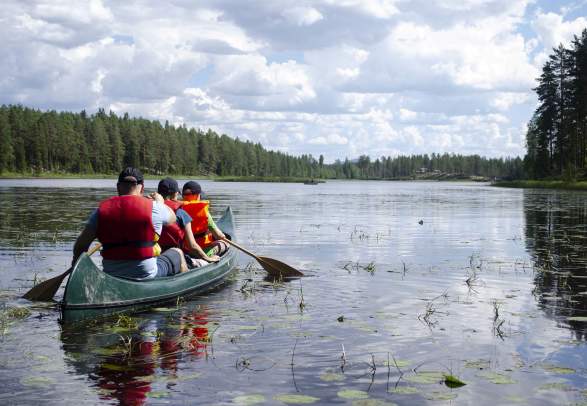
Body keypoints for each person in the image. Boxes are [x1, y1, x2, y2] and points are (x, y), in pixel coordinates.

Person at [72, 167, 188, 279]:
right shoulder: (154, 207)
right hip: (146, 274)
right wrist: (160, 203)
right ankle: (181, 288)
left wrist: (75, 266)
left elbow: (80, 246)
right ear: (142, 188)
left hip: (111, 274)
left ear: (118, 187)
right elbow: (172, 218)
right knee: (177, 252)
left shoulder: (100, 211)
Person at [156, 177, 220, 265]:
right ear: (175, 193)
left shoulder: (151, 209)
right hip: (177, 257)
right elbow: (192, 246)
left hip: (156, 255)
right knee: (224, 245)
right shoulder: (180, 213)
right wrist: (208, 258)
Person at [181, 181, 229, 257]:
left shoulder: (178, 210)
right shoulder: (204, 213)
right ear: (198, 196)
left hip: (184, 250)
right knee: (225, 243)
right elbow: (218, 235)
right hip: (203, 250)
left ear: (183, 196)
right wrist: (224, 237)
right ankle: (209, 255)